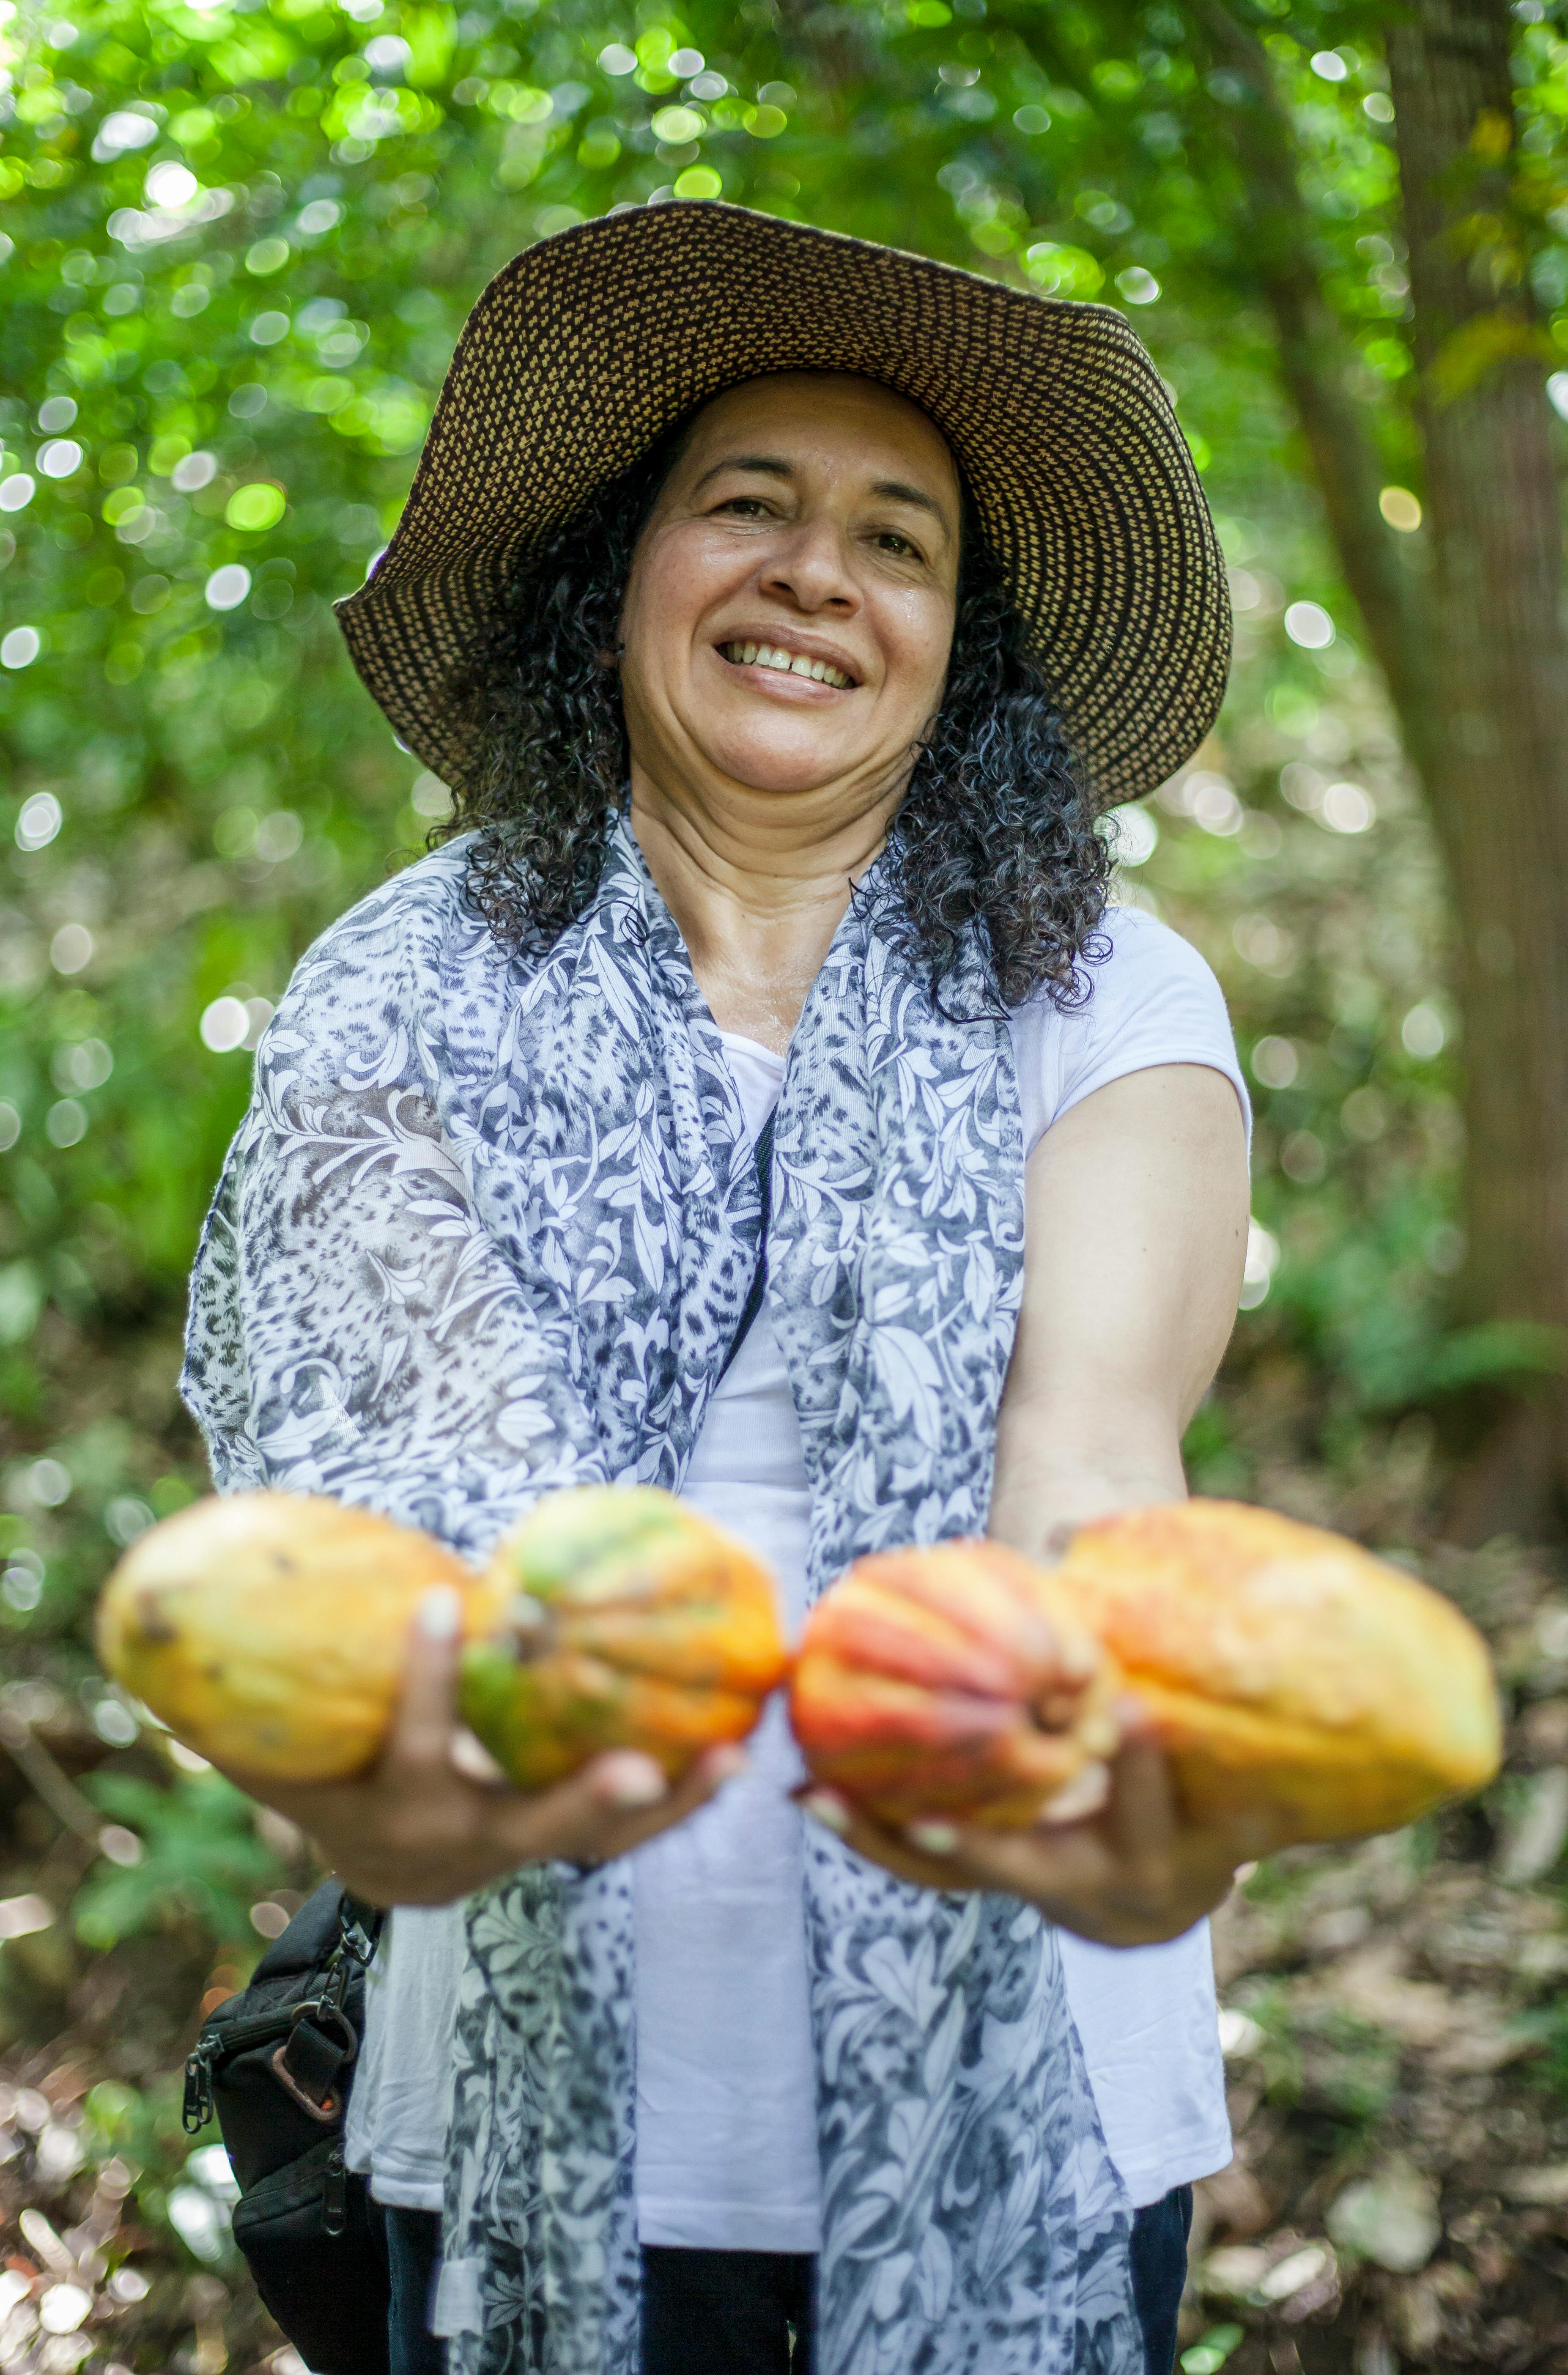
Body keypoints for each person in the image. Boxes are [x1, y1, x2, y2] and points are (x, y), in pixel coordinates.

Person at [182, 202, 1269, 2375]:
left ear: (964, 650)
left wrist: (1127, 1816)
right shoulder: (407, 991)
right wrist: (371, 1791)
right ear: (621, 579)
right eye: (746, 507)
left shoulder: (1107, 998)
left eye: (900, 542)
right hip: (526, 2107)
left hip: (1028, 2094)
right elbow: (382, 1524)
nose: (814, 578)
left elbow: (1093, 1466)